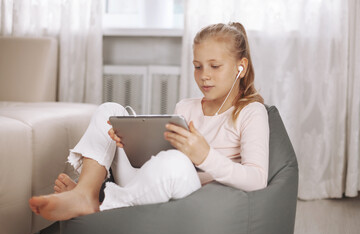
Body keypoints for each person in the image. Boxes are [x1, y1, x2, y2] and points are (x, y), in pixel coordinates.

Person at [29, 22, 269, 221]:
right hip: (151, 182)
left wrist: (205, 156)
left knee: (175, 163)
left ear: (241, 67)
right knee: (109, 111)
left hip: (189, 192)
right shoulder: (186, 107)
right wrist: (131, 144)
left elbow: (257, 180)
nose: (204, 75)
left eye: (214, 66)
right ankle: (85, 192)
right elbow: (157, 160)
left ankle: (102, 205)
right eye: (197, 67)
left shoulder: (250, 112)